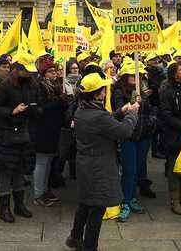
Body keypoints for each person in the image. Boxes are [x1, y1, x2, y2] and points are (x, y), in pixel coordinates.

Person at [65, 72, 138, 251]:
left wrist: (121, 111)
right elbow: (124, 132)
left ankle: (75, 237)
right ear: (96, 93)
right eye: (103, 91)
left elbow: (105, 121)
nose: (106, 93)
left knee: (85, 203)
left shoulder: (83, 109)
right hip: (99, 167)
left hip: (86, 164)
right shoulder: (97, 115)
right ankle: (90, 246)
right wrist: (132, 114)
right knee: (97, 209)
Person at [0, 63, 40, 223]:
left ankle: (19, 205)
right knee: (6, 172)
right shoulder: (6, 86)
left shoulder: (32, 86)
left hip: (24, 134)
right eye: (25, 71)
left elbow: (38, 105)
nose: (28, 74)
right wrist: (12, 111)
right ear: (17, 71)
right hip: (7, 135)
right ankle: (4, 208)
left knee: (20, 170)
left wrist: (36, 110)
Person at [111, 62, 154, 221]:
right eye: (132, 75)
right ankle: (125, 201)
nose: (137, 77)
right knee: (128, 170)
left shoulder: (143, 91)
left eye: (139, 75)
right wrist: (132, 102)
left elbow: (150, 111)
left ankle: (132, 197)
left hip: (143, 136)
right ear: (125, 77)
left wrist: (151, 122)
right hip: (128, 136)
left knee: (136, 169)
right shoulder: (118, 92)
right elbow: (118, 113)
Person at [158, 63, 181, 215]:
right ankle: (175, 200)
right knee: (174, 167)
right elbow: (166, 115)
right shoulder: (167, 91)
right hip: (174, 134)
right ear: (174, 74)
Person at [33, 57, 67, 207]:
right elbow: (41, 109)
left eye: (54, 71)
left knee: (48, 162)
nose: (54, 74)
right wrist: (59, 101)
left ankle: (45, 189)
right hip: (42, 130)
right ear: (44, 73)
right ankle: (38, 193)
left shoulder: (55, 86)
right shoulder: (39, 87)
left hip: (53, 128)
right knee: (42, 162)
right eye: (51, 71)